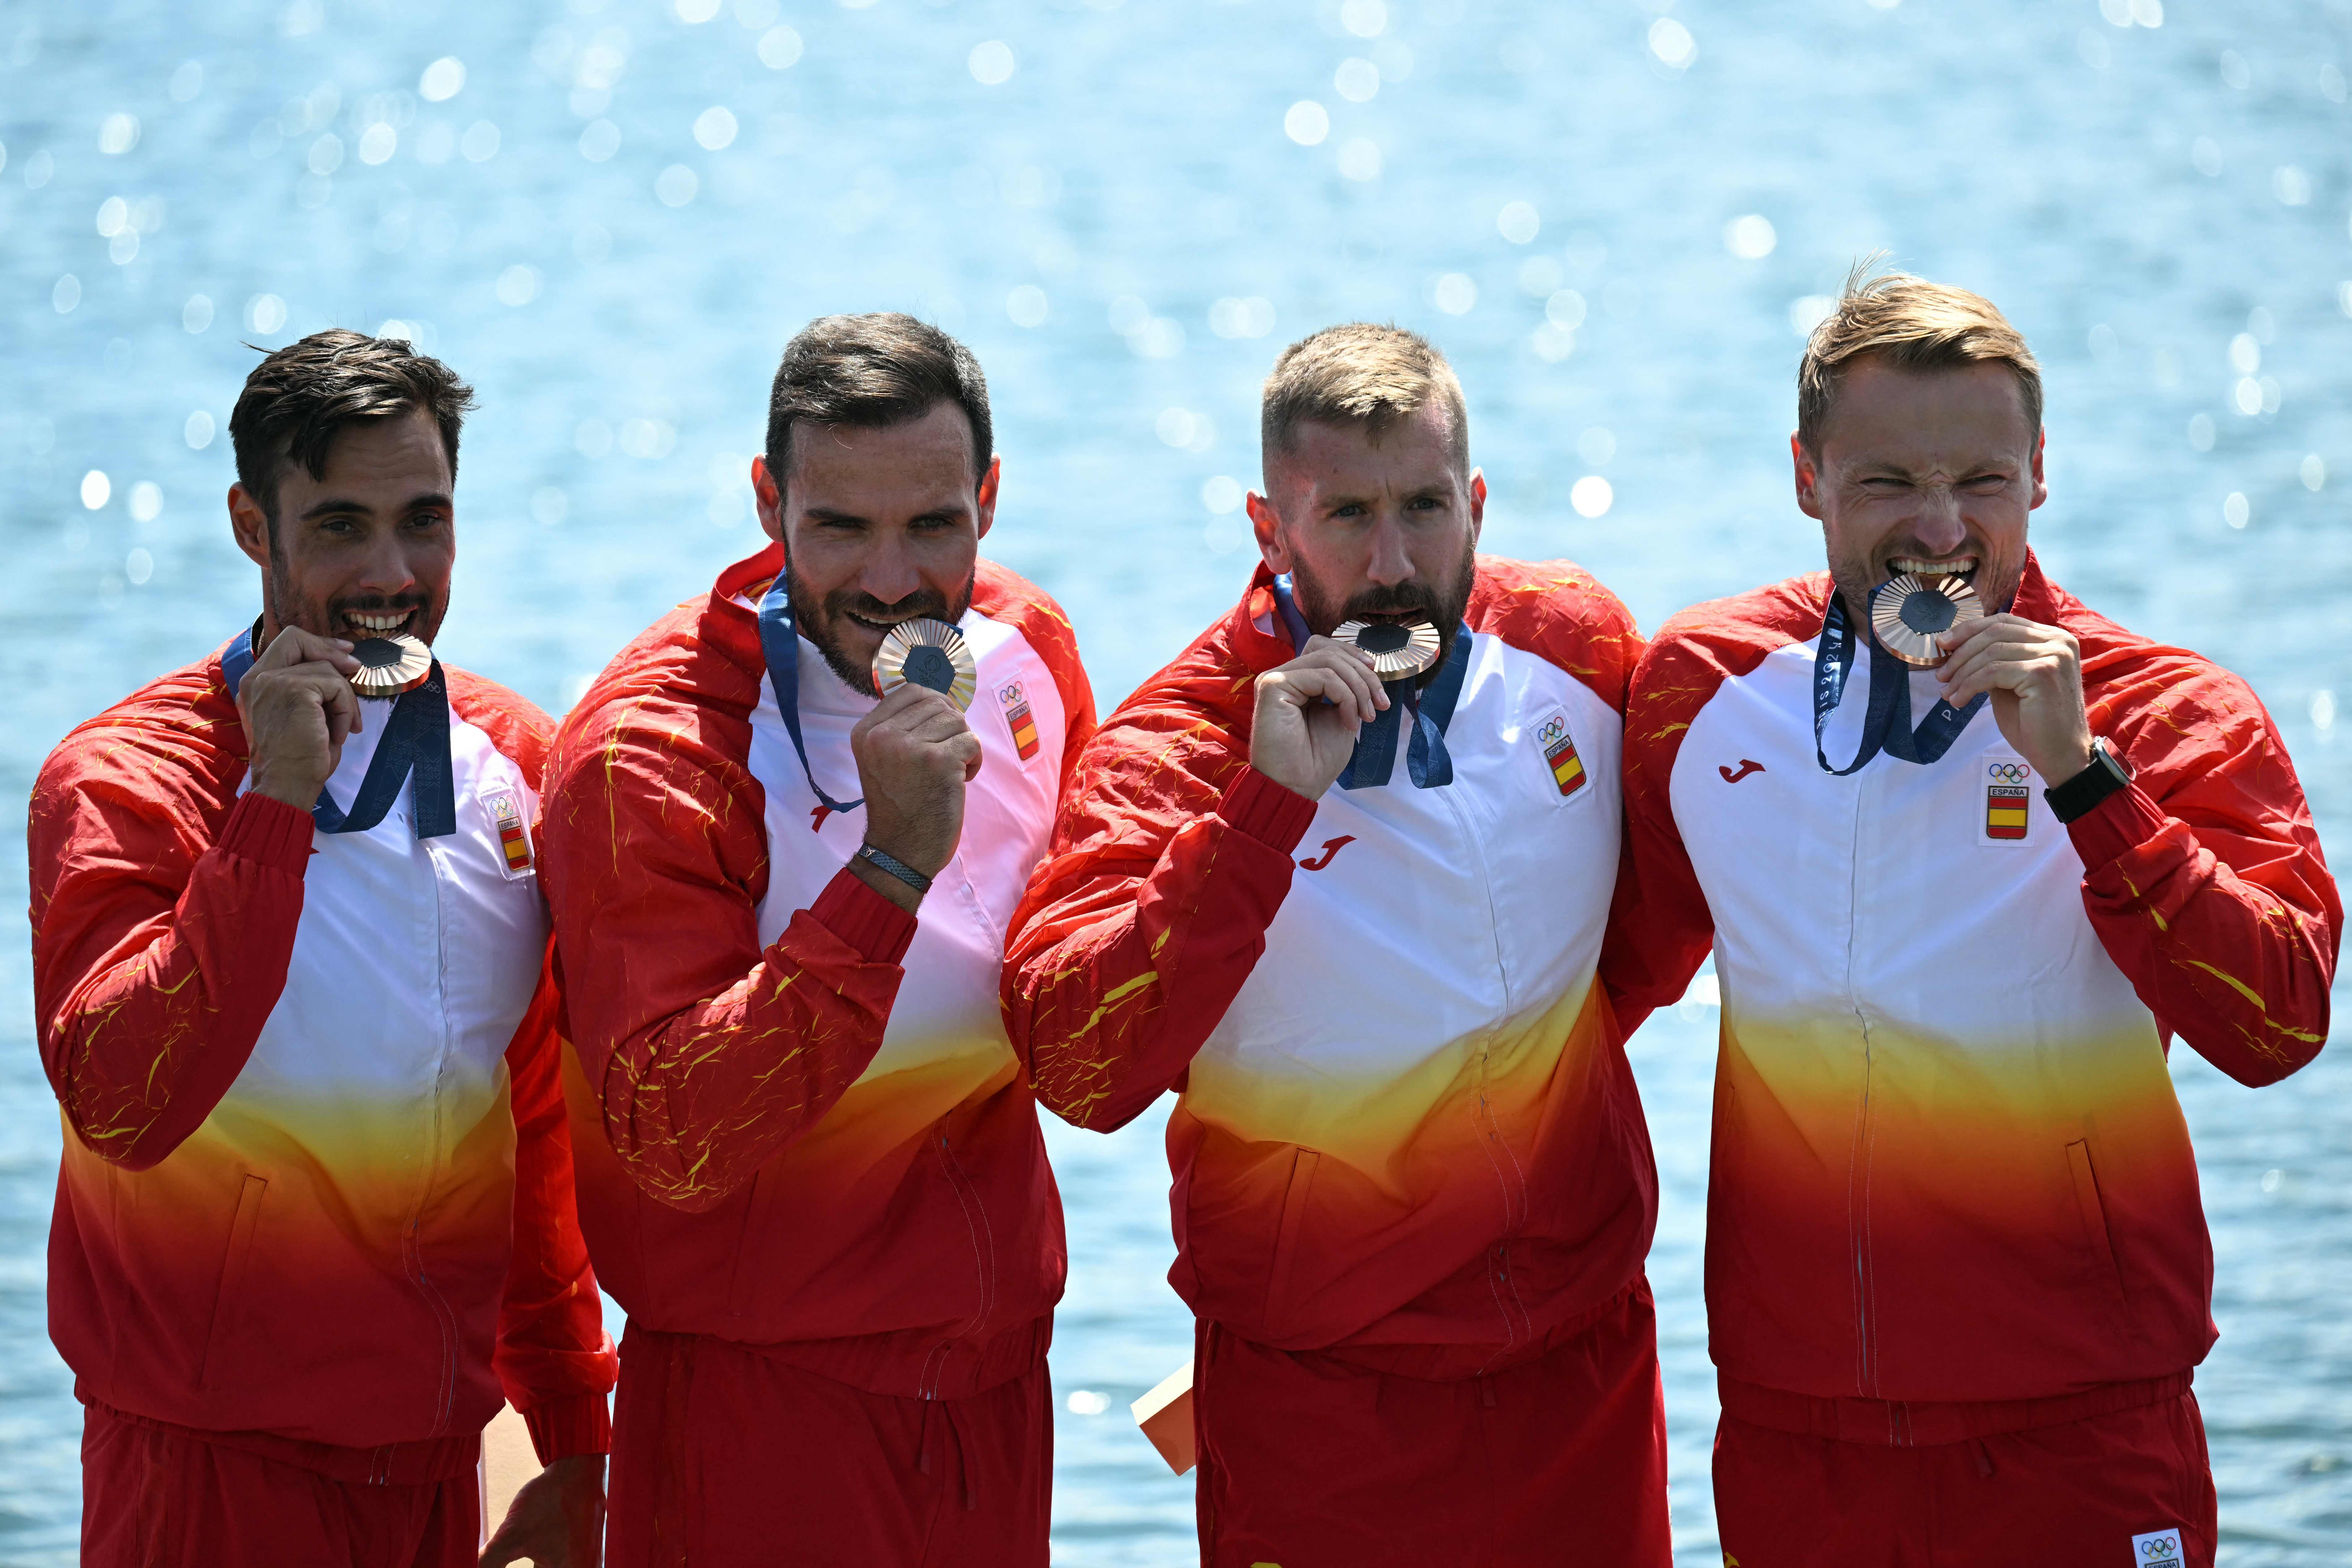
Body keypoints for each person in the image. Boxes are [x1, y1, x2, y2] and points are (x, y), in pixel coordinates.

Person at [1605, 268, 2341, 1566]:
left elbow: (2279, 1020)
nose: (1940, 530)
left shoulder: (2167, 712)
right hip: (1800, 1433)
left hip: (2080, 1425)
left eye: (1983, 483)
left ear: (2040, 474)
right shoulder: (1702, 687)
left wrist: (2086, 782)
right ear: (1806, 475)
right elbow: (1572, 997)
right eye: (1888, 481)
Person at [1003, 323, 1669, 1566]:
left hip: (1581, 1369)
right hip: (1322, 1403)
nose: (1395, 560)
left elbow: (1639, 944)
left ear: (1475, 503)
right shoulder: (1177, 749)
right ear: (1271, 528)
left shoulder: (1577, 644)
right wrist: (1262, 817)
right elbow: (1076, 1065)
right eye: (1347, 514)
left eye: (1425, 506)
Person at [28, 331, 616, 1568]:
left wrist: (570, 1432)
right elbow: (124, 1100)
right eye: (341, 525)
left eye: (424, 520)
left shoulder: (523, 758)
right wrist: (273, 803)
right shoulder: (127, 781)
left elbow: (532, 1132)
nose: (392, 573)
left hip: (448, 1465)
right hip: (202, 1468)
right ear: (253, 523)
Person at [538, 313, 1093, 1566]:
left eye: (932, 525)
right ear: (767, 502)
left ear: (990, 501)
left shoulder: (1031, 651)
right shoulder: (654, 752)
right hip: (761, 1417)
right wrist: (887, 871)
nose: (894, 578)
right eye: (840, 526)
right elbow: (673, 1135)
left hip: (999, 1392)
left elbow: (1083, 979)